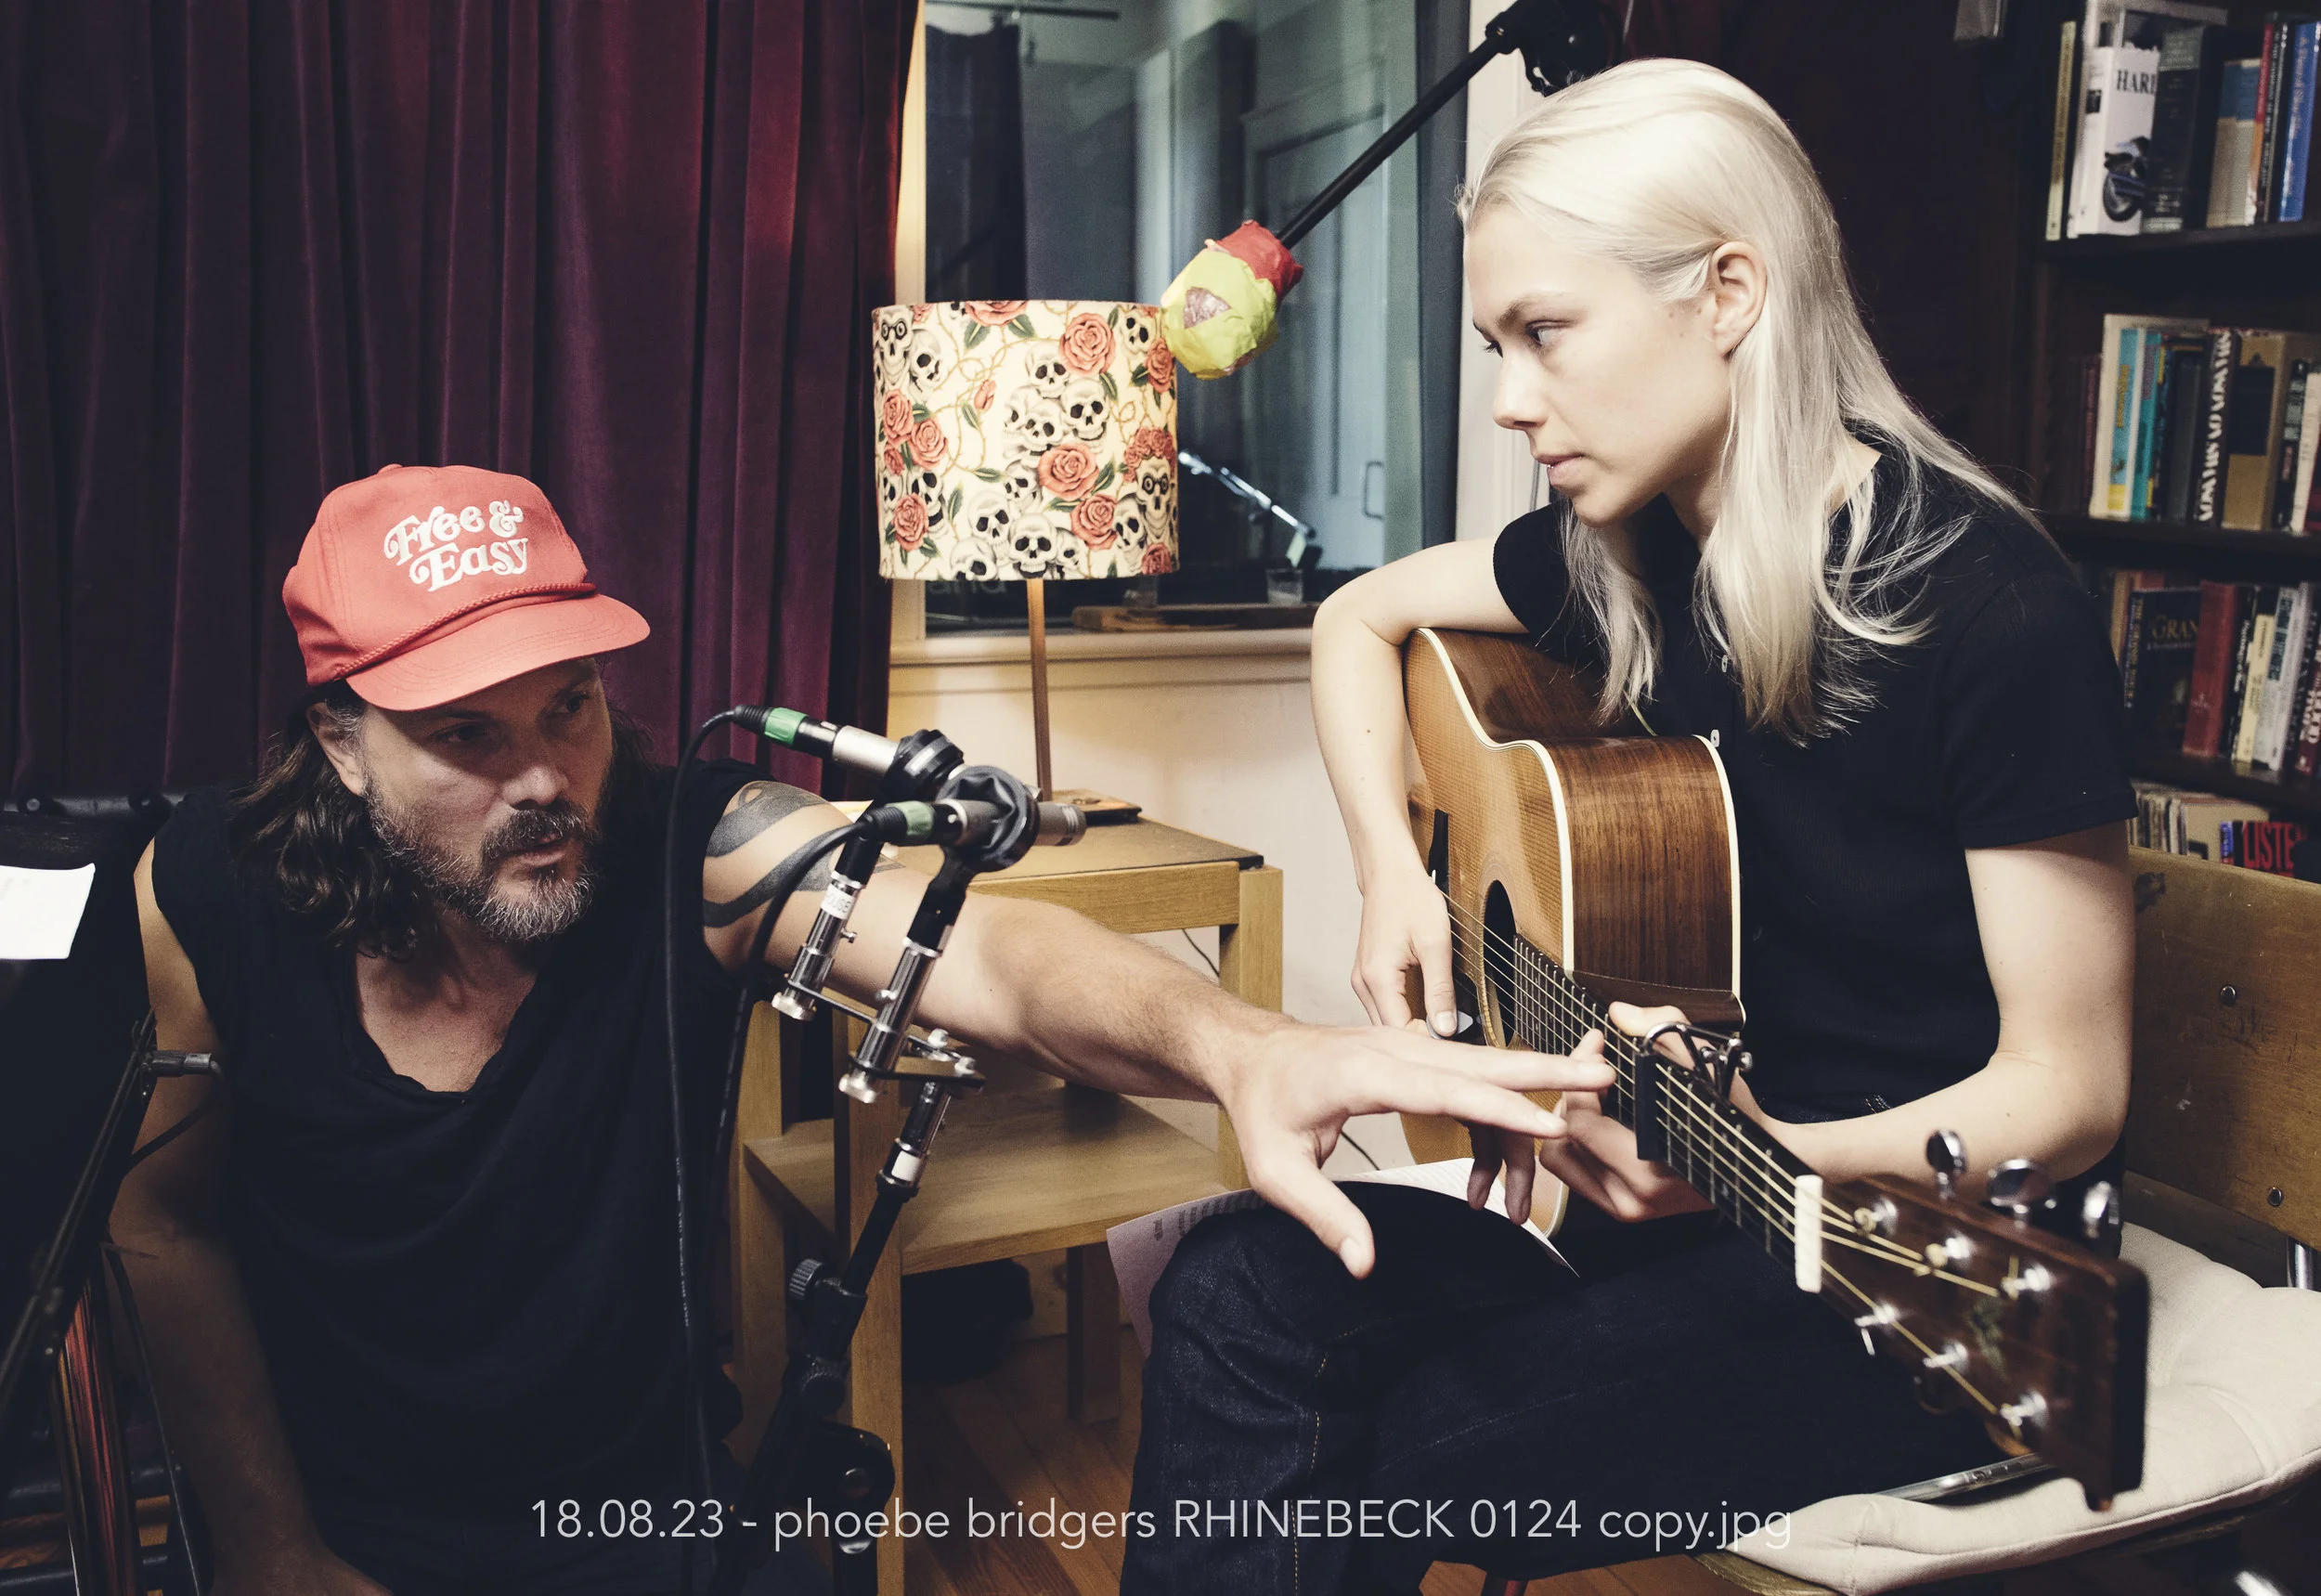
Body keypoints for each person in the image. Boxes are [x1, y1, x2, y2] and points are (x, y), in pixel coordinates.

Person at [110, 463, 1614, 1596]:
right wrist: (275, 1552)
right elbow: (162, 1223)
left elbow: (995, 950)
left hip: (647, 1519)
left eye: (569, 707)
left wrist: (1244, 1046)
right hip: (344, 1536)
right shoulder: (206, 900)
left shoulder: (690, 849)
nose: (548, 779)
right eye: (466, 736)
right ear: (339, 740)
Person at [1122, 58, 2136, 1593]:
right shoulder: (1640, 548)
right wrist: (1398, 879)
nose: (1513, 398)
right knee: (1232, 1284)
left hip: (1906, 1286)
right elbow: (1359, 614)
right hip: (1698, 1207)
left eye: (1545, 333)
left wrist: (1770, 1152)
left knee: (1364, 1453)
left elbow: (2072, 1086)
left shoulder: (1990, 605)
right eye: (1493, 343)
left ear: (1730, 289)